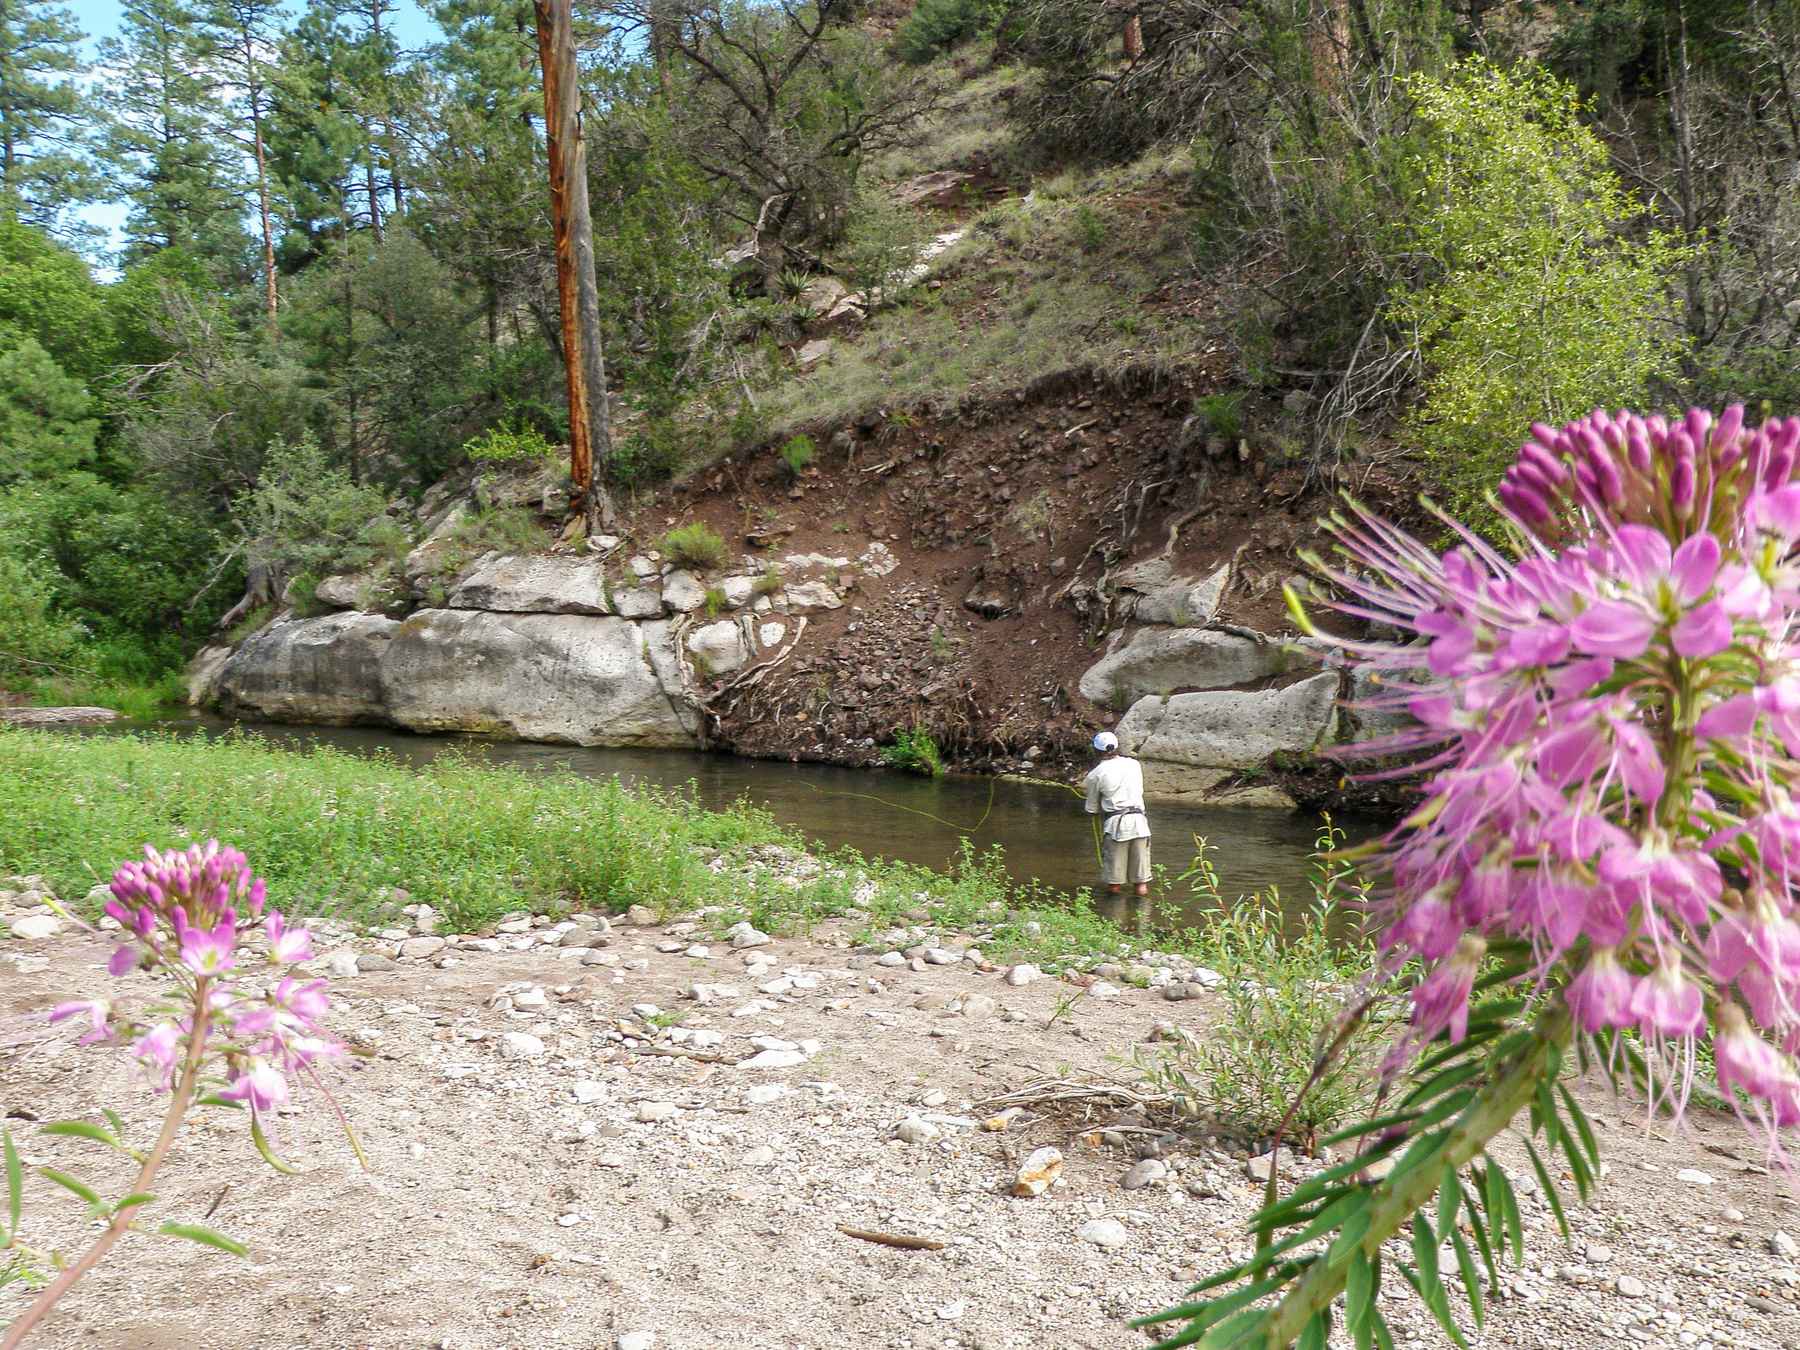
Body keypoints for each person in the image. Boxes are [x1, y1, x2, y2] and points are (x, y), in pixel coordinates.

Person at [1084, 730, 1151, 898]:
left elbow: (1092, 809)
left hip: (1116, 828)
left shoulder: (1095, 775)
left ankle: (1114, 918)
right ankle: (1142, 920)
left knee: (1114, 883)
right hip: (1141, 824)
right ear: (1116, 747)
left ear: (1097, 751)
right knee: (1141, 882)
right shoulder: (1134, 765)